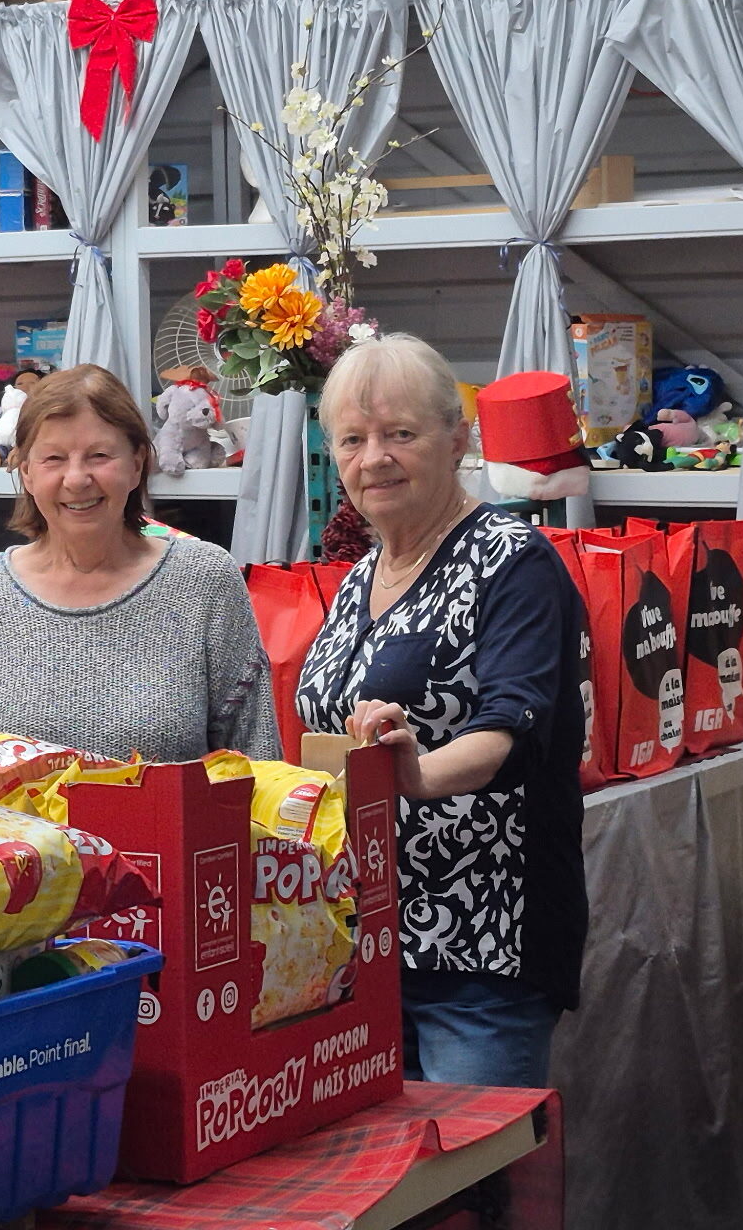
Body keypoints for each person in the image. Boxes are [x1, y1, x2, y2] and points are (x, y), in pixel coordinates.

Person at [296, 333, 587, 1089]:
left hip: (479, 953)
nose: (374, 459)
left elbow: (513, 726)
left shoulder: (512, 560)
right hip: (362, 943)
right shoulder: (361, 577)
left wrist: (418, 773)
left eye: (401, 434)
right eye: (353, 440)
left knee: (475, 1182)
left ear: (458, 439)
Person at [0, 364, 278, 762]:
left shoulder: (204, 581)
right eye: (53, 458)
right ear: (27, 472)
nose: (76, 478)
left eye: (99, 455)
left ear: (137, 463)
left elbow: (257, 768)